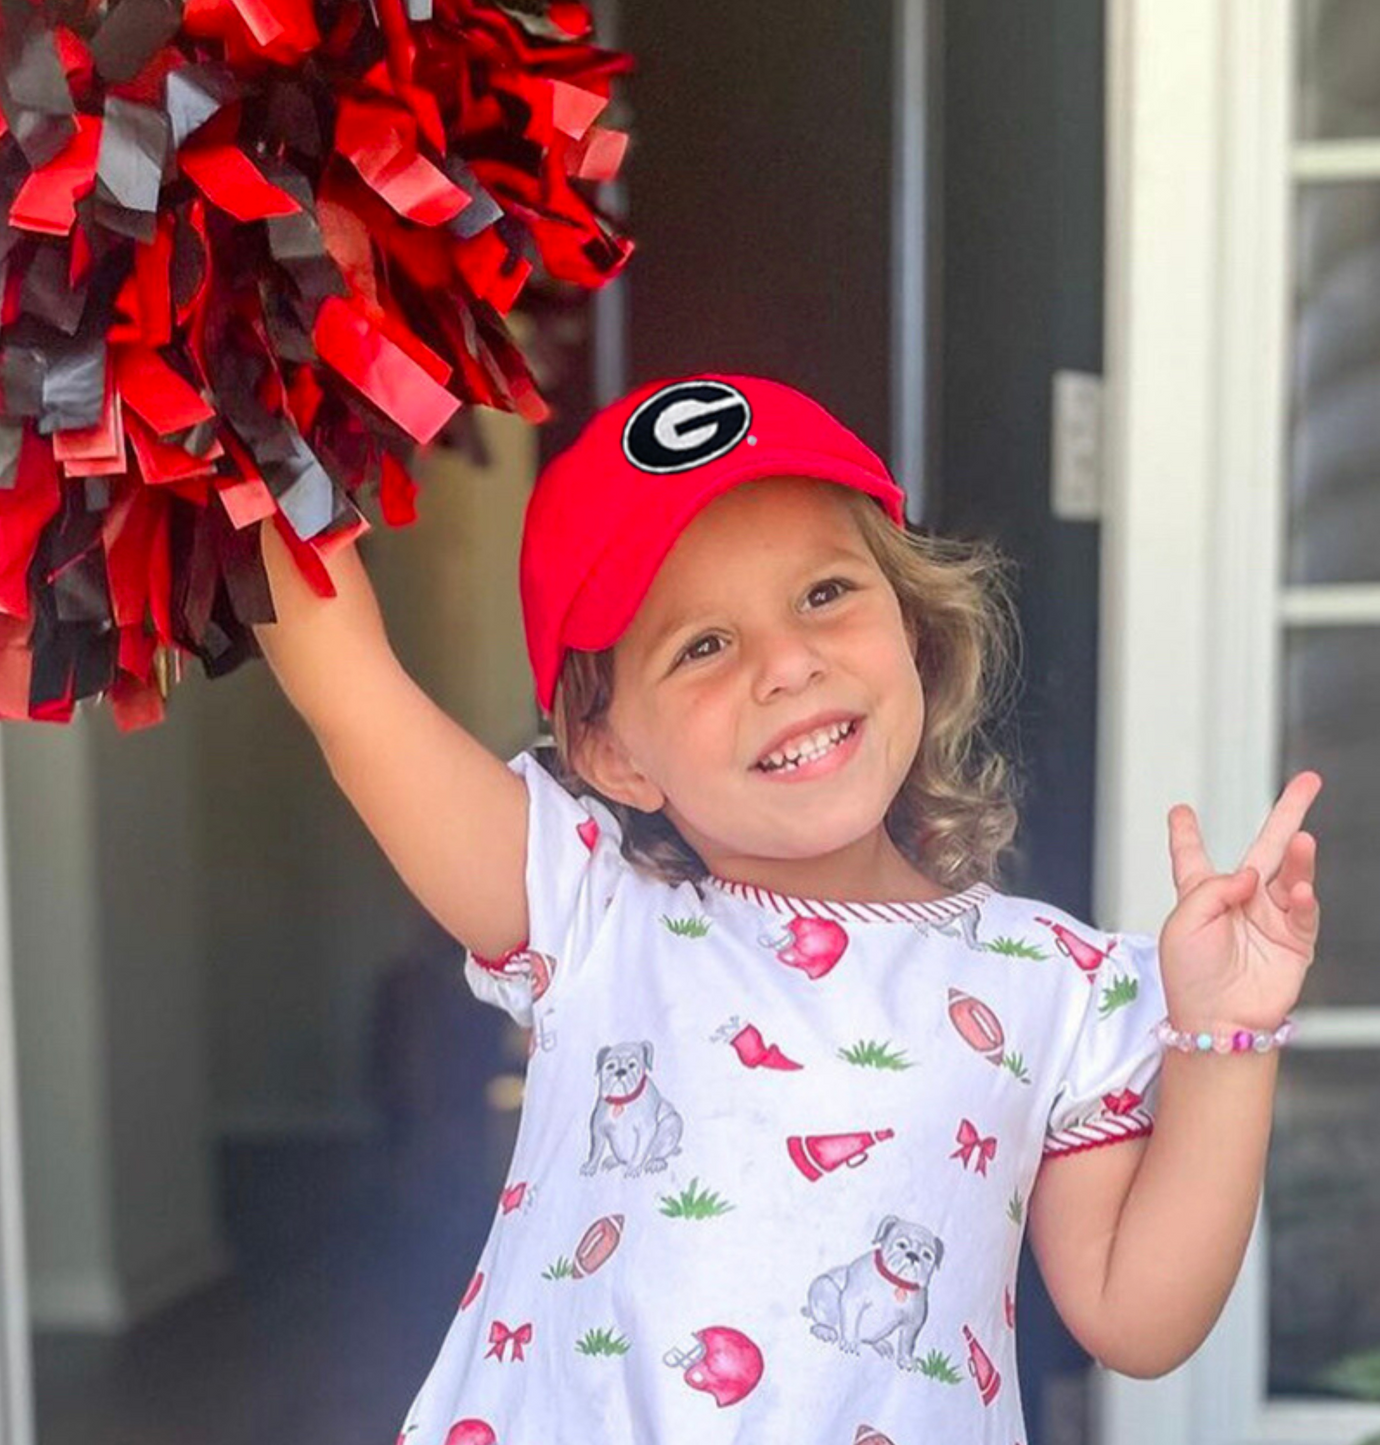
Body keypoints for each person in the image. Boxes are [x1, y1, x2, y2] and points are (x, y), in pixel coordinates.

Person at [255, 373, 1322, 1445]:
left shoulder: (1052, 986)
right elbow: (349, 686)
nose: (787, 664)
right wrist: (252, 390)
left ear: (909, 622)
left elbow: (1136, 1319)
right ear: (610, 750)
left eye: (823, 594)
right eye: (701, 645)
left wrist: (1227, 1036)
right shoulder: (584, 912)